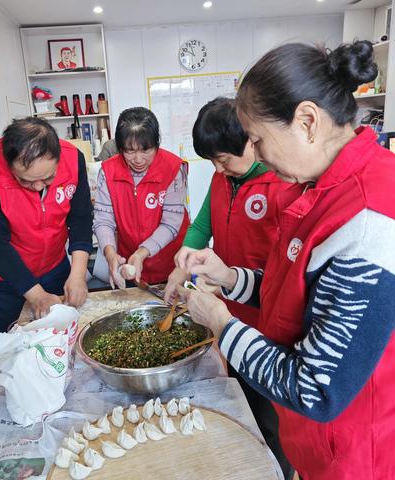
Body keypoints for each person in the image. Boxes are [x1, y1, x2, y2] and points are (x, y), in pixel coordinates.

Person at [176, 40, 395, 479]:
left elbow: (315, 389)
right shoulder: (317, 187)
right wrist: (231, 277)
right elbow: (293, 292)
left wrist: (222, 323)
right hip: (315, 442)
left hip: (351, 452)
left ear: (307, 121)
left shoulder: (368, 220)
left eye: (258, 139)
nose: (257, 155)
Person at [164, 97, 296, 480]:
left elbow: (283, 262)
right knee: (242, 402)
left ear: (251, 141)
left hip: (269, 318)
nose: (218, 169)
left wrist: (225, 278)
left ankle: (278, 471)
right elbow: (202, 225)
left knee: (273, 417)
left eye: (224, 158)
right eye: (213, 162)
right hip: (231, 311)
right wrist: (185, 258)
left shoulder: (279, 182)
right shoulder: (224, 179)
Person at [0, 117, 93, 332]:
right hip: (5, 277)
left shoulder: (73, 159)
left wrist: (78, 274)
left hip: (54, 265)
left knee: (65, 335)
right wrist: (37, 295)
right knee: (16, 339)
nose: (38, 187)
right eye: (25, 180)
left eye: (48, 178)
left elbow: (80, 219)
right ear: (9, 163)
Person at [93, 107, 189, 286]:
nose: (138, 159)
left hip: (170, 264)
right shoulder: (108, 171)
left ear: (156, 144)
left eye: (146, 150)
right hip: (129, 263)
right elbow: (103, 219)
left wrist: (142, 252)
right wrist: (110, 253)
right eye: (130, 151)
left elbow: (171, 222)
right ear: (120, 148)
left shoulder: (173, 168)